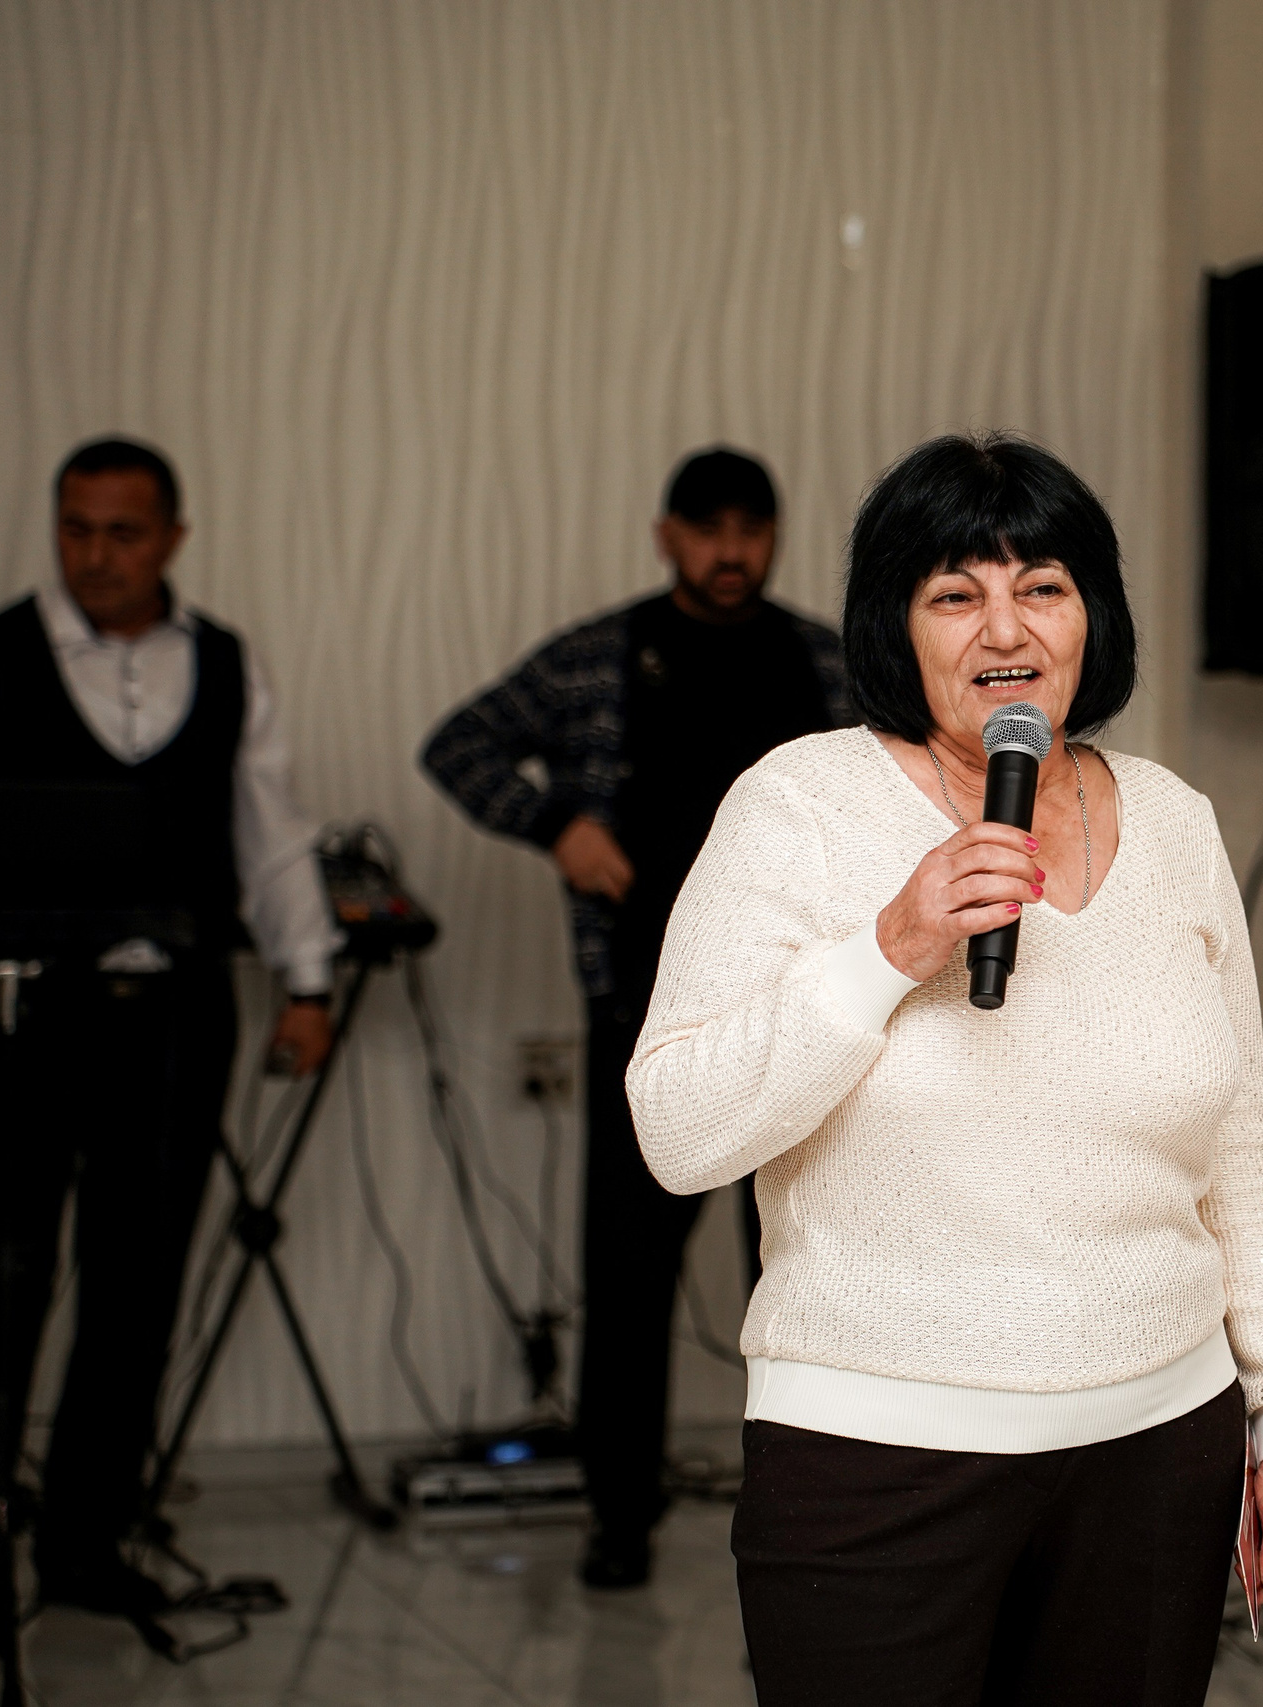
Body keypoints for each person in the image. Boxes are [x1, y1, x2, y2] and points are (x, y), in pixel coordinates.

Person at [626, 433, 1263, 1707]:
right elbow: (678, 1131)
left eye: (1044, 587)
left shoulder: (1174, 819)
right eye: (955, 594)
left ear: (1093, 616)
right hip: (877, 1464)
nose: (1003, 628)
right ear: (895, 626)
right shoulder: (797, 806)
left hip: (1159, 1453)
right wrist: (889, 948)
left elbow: (1237, 1137)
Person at [0, 437, 340, 1630]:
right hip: (27, 1009)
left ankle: (85, 1543)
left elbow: (272, 832)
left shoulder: (229, 666)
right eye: (75, 528)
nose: (95, 554)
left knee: (138, 1288)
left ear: (173, 539)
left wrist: (310, 979)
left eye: (122, 532)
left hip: (178, 1018)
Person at [420, 446, 848, 1587]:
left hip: (813, 1018)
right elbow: (457, 743)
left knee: (813, 1276)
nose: (730, 551)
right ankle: (621, 1516)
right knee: (626, 1275)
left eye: (750, 529)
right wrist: (558, 820)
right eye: (706, 530)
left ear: (774, 536)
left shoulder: (825, 662)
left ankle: (812, 1517)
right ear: (667, 536)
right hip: (649, 1010)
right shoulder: (599, 657)